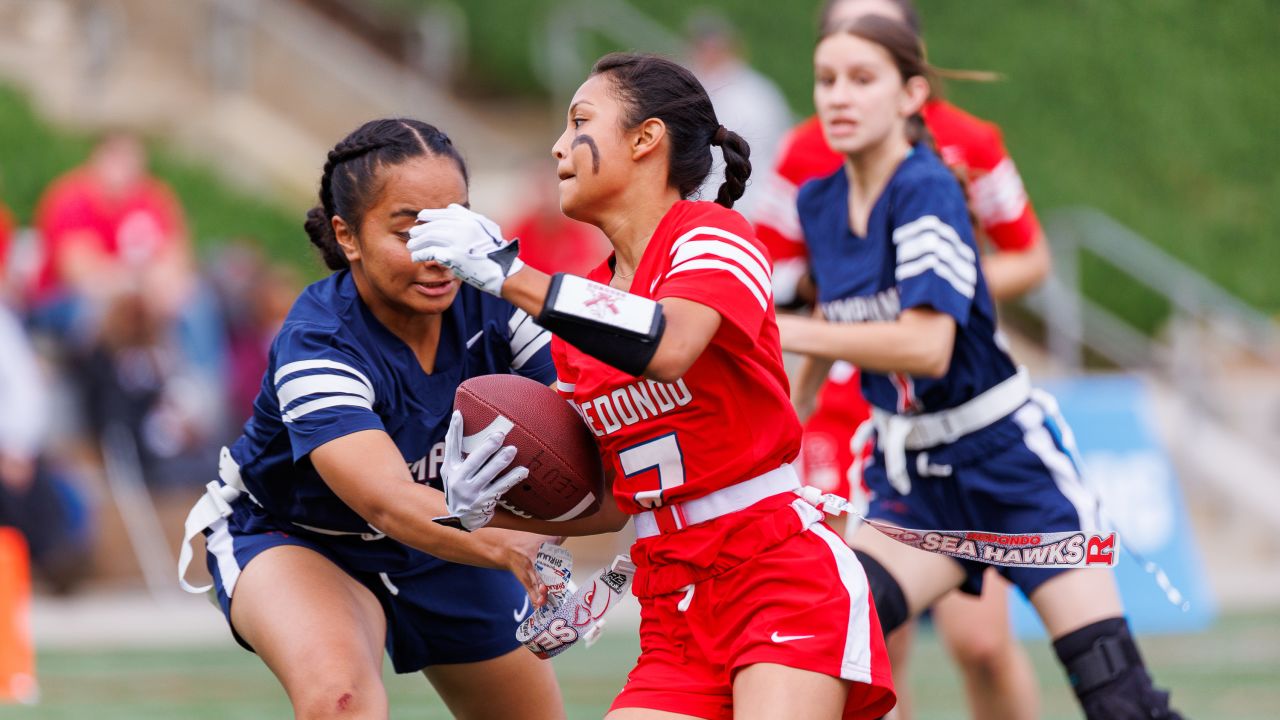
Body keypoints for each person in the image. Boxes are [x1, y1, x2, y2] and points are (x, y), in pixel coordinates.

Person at [409, 52, 897, 720]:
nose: (557, 145)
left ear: (646, 139)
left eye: (579, 120)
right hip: (672, 602)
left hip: (777, 573)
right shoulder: (583, 310)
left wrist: (508, 274)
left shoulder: (715, 236)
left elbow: (669, 344)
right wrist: (485, 511)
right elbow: (615, 500)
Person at [778, 16, 1182, 720]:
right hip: (912, 484)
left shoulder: (929, 187)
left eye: (862, 79)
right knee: (818, 643)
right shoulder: (816, 201)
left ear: (911, 95)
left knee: (1121, 701)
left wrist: (784, 325)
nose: (839, 96)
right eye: (827, 79)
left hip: (1008, 465)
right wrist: (777, 439)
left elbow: (927, 346)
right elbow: (822, 335)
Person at [176, 118, 565, 720]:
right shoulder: (318, 340)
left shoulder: (498, 302)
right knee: (340, 701)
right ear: (347, 236)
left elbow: (588, 418)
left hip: (447, 540)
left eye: (453, 225)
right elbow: (386, 501)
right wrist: (515, 546)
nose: (439, 254)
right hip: (303, 538)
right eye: (409, 230)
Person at [755, 1, 1051, 718]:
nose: (844, 86)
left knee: (980, 641)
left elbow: (1030, 256)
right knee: (864, 639)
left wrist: (931, 296)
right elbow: (774, 280)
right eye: (832, 61)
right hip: (841, 415)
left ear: (907, 59)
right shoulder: (803, 154)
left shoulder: (968, 143)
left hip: (952, 408)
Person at [685, 10, 793, 223]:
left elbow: (777, 153)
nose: (708, 54)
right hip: (700, 205)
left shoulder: (757, 95)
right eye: (703, 47)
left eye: (714, 47)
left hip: (749, 203)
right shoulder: (688, 88)